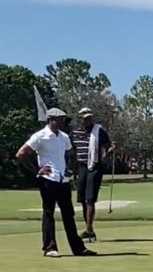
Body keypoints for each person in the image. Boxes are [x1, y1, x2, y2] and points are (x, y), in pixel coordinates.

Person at [15, 108, 96, 257]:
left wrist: (69, 169)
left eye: (63, 120)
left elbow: (69, 154)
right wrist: (36, 171)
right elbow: (21, 154)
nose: (63, 122)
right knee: (48, 213)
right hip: (48, 180)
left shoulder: (64, 137)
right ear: (51, 119)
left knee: (68, 215)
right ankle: (50, 247)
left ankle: (78, 248)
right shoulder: (40, 136)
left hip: (63, 180)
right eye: (60, 119)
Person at [71, 107, 113, 242]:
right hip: (81, 167)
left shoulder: (99, 131)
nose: (88, 120)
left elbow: (109, 146)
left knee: (90, 199)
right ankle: (90, 230)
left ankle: (89, 229)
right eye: (85, 118)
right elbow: (72, 151)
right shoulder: (75, 133)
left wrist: (108, 152)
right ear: (80, 119)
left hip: (95, 166)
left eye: (89, 117)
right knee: (82, 199)